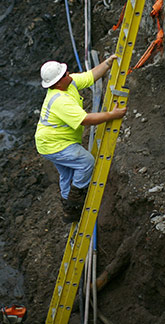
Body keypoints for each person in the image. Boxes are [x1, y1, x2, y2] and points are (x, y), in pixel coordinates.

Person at [35, 55, 127, 223]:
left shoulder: (68, 83)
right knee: (86, 163)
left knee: (67, 174)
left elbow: (90, 76)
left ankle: (68, 209)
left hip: (53, 141)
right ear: (57, 83)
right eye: (64, 74)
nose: (68, 73)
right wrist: (111, 115)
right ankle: (74, 202)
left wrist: (107, 64)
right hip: (53, 145)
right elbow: (85, 120)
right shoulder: (59, 101)